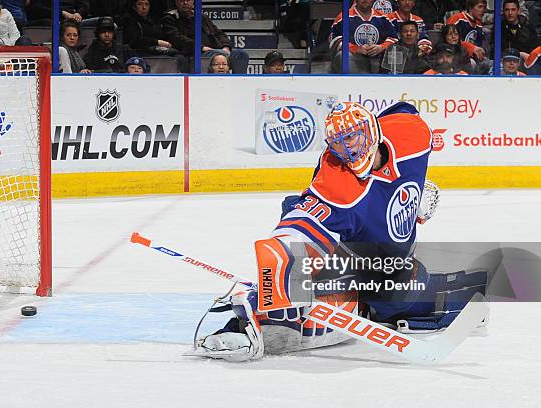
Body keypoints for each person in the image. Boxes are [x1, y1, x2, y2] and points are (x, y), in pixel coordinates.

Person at [190, 101, 486, 362]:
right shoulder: (336, 181)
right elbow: (303, 221)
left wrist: (417, 193)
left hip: (391, 261)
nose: (348, 149)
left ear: (372, 130)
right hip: (351, 251)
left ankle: (385, 302)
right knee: (305, 273)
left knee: (396, 297)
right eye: (338, 143)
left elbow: (403, 112)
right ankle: (248, 322)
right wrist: (281, 258)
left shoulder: (413, 134)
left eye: (353, 137)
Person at [160, 0, 249, 74]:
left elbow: (219, 33)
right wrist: (201, 48)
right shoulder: (170, 18)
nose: (185, 2)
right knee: (218, 55)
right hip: (193, 53)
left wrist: (226, 47)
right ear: (176, 2)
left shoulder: (201, 17)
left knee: (240, 54)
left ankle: (237, 85)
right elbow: (176, 38)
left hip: (213, 50)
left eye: (188, 0)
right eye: (182, 0)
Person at [329, 0, 398, 74]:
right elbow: (334, 39)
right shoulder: (344, 16)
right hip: (354, 58)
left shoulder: (382, 17)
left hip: (377, 58)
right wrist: (355, 48)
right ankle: (352, 83)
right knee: (343, 56)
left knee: (397, 53)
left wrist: (381, 47)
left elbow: (394, 38)